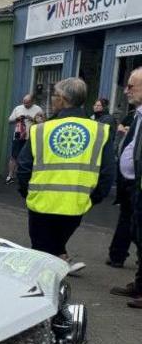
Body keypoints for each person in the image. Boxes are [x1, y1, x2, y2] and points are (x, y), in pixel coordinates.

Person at [17, 77, 115, 271]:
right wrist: (93, 198)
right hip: (75, 206)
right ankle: (60, 264)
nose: (52, 99)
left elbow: (24, 167)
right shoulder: (100, 131)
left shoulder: (41, 130)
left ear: (61, 99)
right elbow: (107, 172)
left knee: (41, 257)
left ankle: (44, 292)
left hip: (41, 205)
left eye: (53, 95)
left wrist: (26, 192)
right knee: (53, 249)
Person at [111, 67, 142, 306]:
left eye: (131, 86)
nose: (126, 90)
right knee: (136, 233)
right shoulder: (138, 114)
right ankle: (140, 284)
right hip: (133, 185)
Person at [108, 99, 138, 268]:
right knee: (126, 217)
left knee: (134, 220)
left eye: (131, 86)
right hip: (127, 178)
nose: (126, 91)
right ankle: (117, 255)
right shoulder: (134, 116)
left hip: (136, 180)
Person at [7, 94, 44, 184]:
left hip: (30, 137)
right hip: (18, 135)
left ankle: (27, 177)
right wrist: (17, 118)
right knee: (14, 156)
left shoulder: (38, 109)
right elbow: (9, 120)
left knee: (29, 157)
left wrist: (33, 119)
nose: (25, 105)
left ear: (32, 102)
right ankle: (10, 175)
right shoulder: (18, 108)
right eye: (24, 102)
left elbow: (42, 123)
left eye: (27, 103)